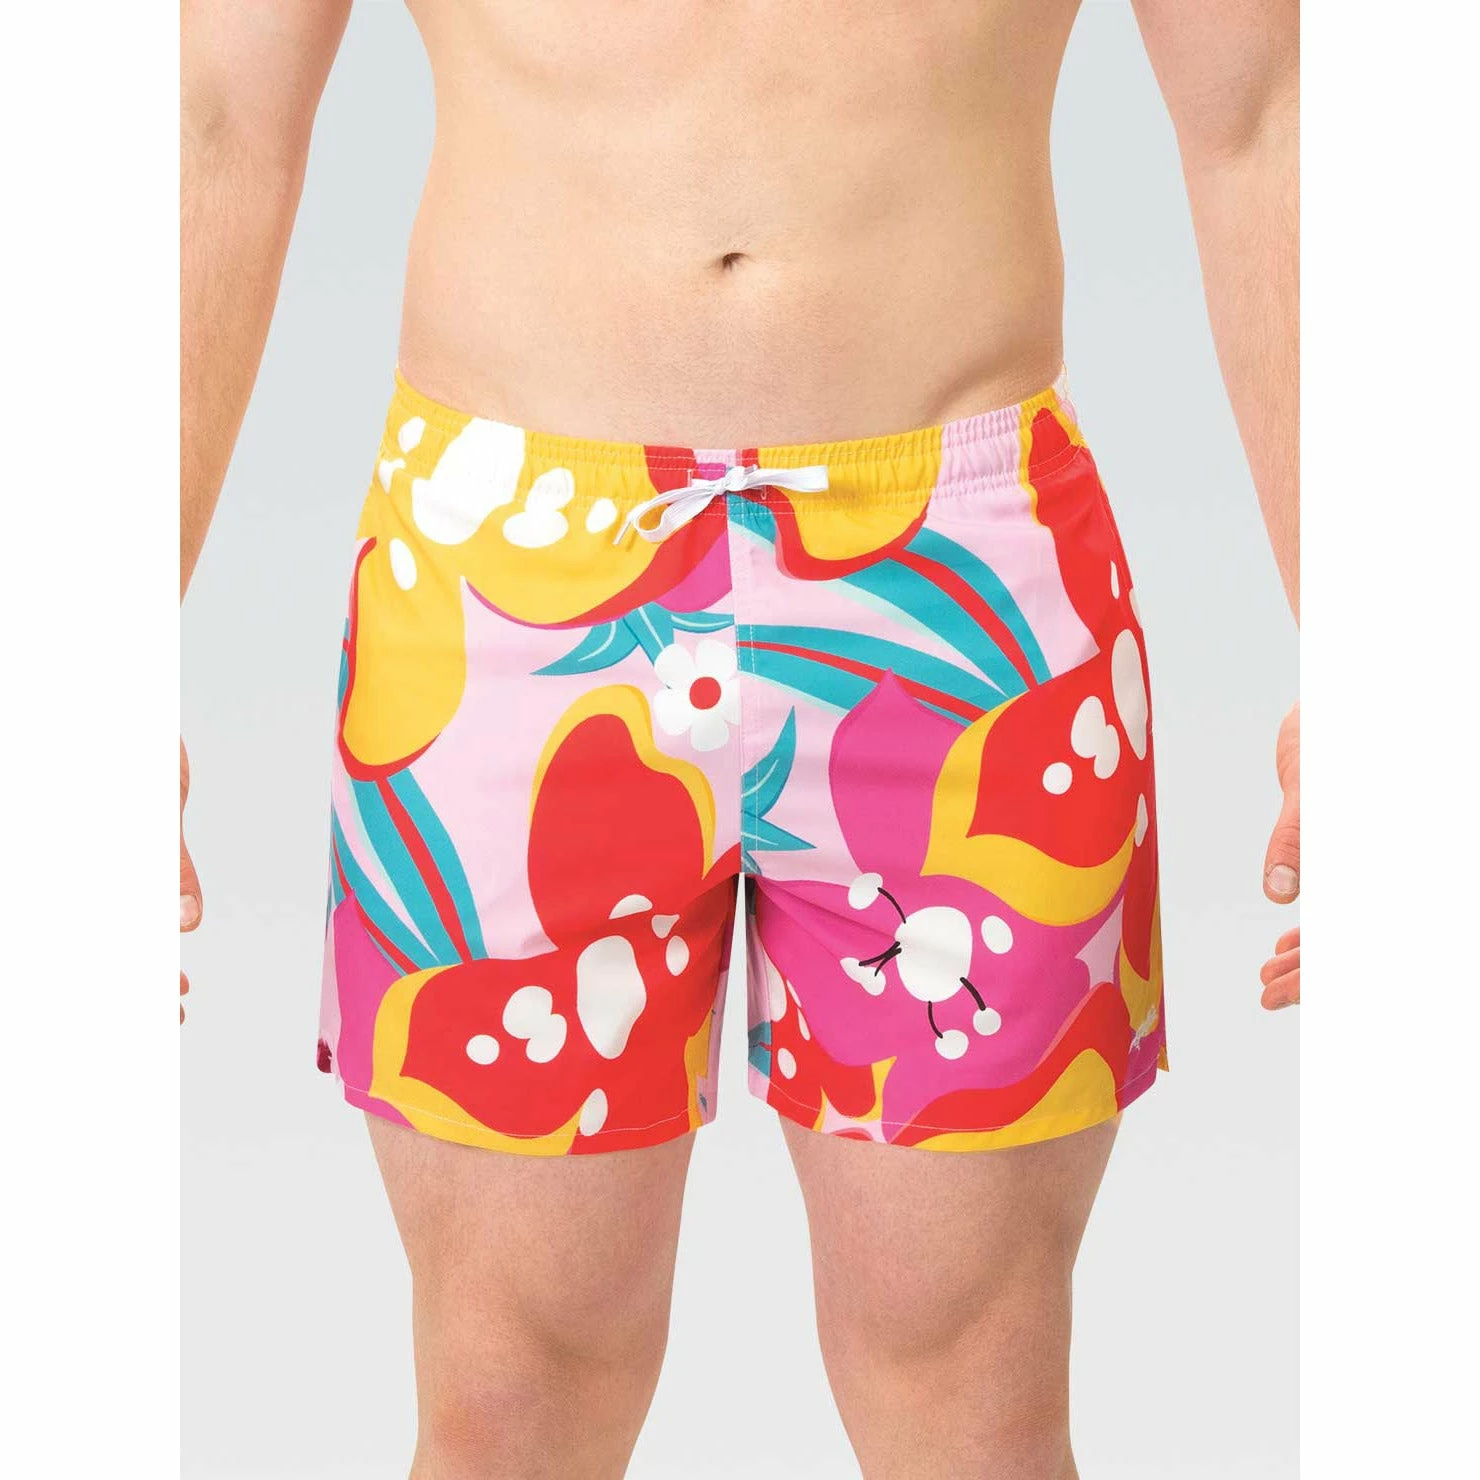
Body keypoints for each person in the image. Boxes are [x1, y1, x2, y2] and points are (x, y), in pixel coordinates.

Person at [180, 1, 1299, 1475]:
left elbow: (1265, 118)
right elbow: (216, 122)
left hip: (965, 583)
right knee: (512, 1390)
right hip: (503, 586)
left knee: (973, 1388)